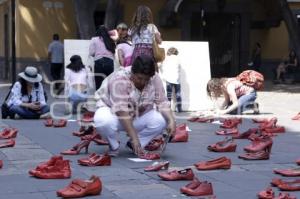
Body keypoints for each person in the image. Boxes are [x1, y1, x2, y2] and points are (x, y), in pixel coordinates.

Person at [93, 55, 176, 157]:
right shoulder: (119, 79)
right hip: (115, 115)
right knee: (102, 119)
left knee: (162, 119)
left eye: (146, 79)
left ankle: (135, 145)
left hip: (137, 115)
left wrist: (171, 121)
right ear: (132, 72)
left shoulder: (154, 78)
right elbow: (121, 110)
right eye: (139, 78)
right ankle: (113, 145)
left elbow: (162, 102)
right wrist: (134, 137)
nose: (142, 82)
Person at [89, 25, 116, 90]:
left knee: (98, 82)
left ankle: (99, 97)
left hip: (99, 61)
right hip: (110, 62)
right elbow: (114, 52)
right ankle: (109, 97)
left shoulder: (94, 39)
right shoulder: (111, 40)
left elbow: (91, 52)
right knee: (109, 82)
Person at [160, 47, 182, 112]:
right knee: (178, 94)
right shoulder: (178, 58)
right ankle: (179, 109)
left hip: (168, 78)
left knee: (169, 94)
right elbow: (179, 67)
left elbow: (161, 66)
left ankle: (168, 108)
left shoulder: (166, 58)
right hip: (177, 79)